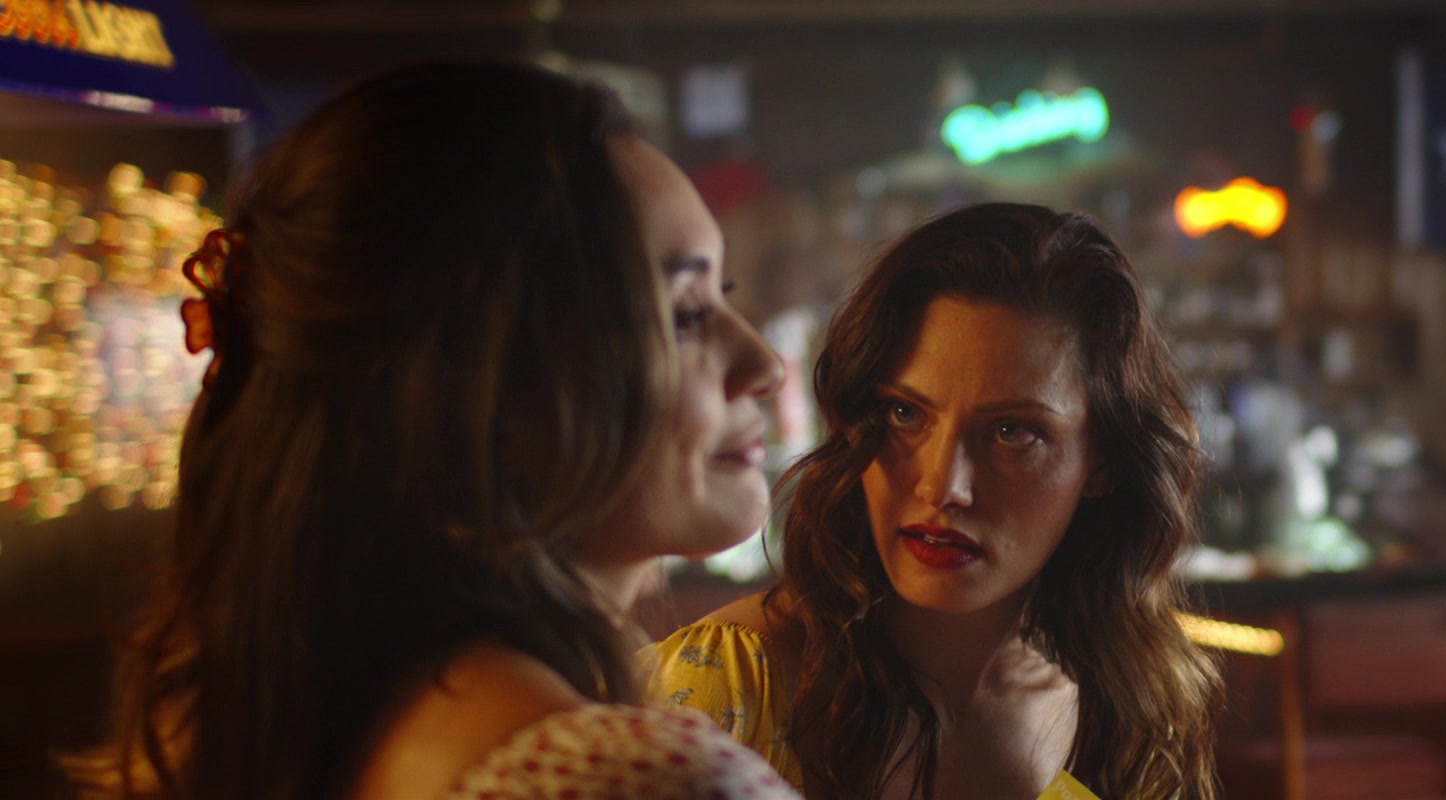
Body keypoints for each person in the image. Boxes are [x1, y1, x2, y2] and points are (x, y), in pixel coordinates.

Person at [71, 62, 800, 800]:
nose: (763, 364)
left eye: (724, 296)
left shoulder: (312, 729)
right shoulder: (633, 778)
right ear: (483, 384)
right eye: (684, 315)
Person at [648, 202, 1224, 799]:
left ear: (1101, 461)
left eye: (1012, 433)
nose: (943, 486)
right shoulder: (731, 688)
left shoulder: (1129, 712)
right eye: (906, 413)